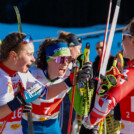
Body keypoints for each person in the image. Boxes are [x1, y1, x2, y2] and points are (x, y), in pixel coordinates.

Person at [0, 32, 91, 134]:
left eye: (68, 59)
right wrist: (18, 102)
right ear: (13, 55)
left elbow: (46, 93)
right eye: (29, 54)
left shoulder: (23, 74)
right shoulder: (26, 73)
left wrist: (71, 82)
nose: (33, 59)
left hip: (47, 125)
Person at [82, 18, 134, 134]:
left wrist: (87, 124)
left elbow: (108, 100)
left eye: (123, 38)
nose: (121, 43)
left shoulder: (132, 71)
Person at [58, 31, 82, 133]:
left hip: (70, 101)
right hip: (62, 101)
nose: (79, 52)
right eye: (78, 48)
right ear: (70, 47)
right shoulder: (64, 62)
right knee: (63, 128)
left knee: (69, 128)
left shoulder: (74, 62)